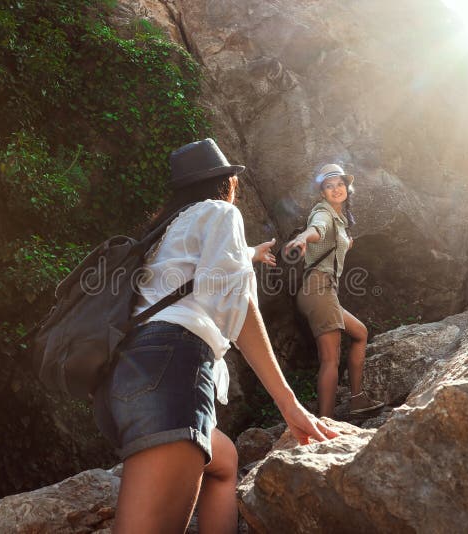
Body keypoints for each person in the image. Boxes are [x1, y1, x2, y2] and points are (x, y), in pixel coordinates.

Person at [92, 139, 338, 534]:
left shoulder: (165, 231)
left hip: (122, 380)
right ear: (228, 184)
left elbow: (209, 269)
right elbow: (237, 303)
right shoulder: (221, 211)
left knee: (222, 461)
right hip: (171, 367)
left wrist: (250, 255)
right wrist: (289, 404)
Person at [285, 163, 384, 419]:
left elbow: (331, 241)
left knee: (360, 333)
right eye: (329, 186)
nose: (336, 189)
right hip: (318, 288)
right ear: (322, 193)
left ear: (347, 188)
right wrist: (303, 238)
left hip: (322, 290)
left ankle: (356, 399)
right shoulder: (323, 212)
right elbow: (317, 229)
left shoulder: (339, 220)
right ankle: (325, 423)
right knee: (330, 358)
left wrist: (345, 245)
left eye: (340, 184)